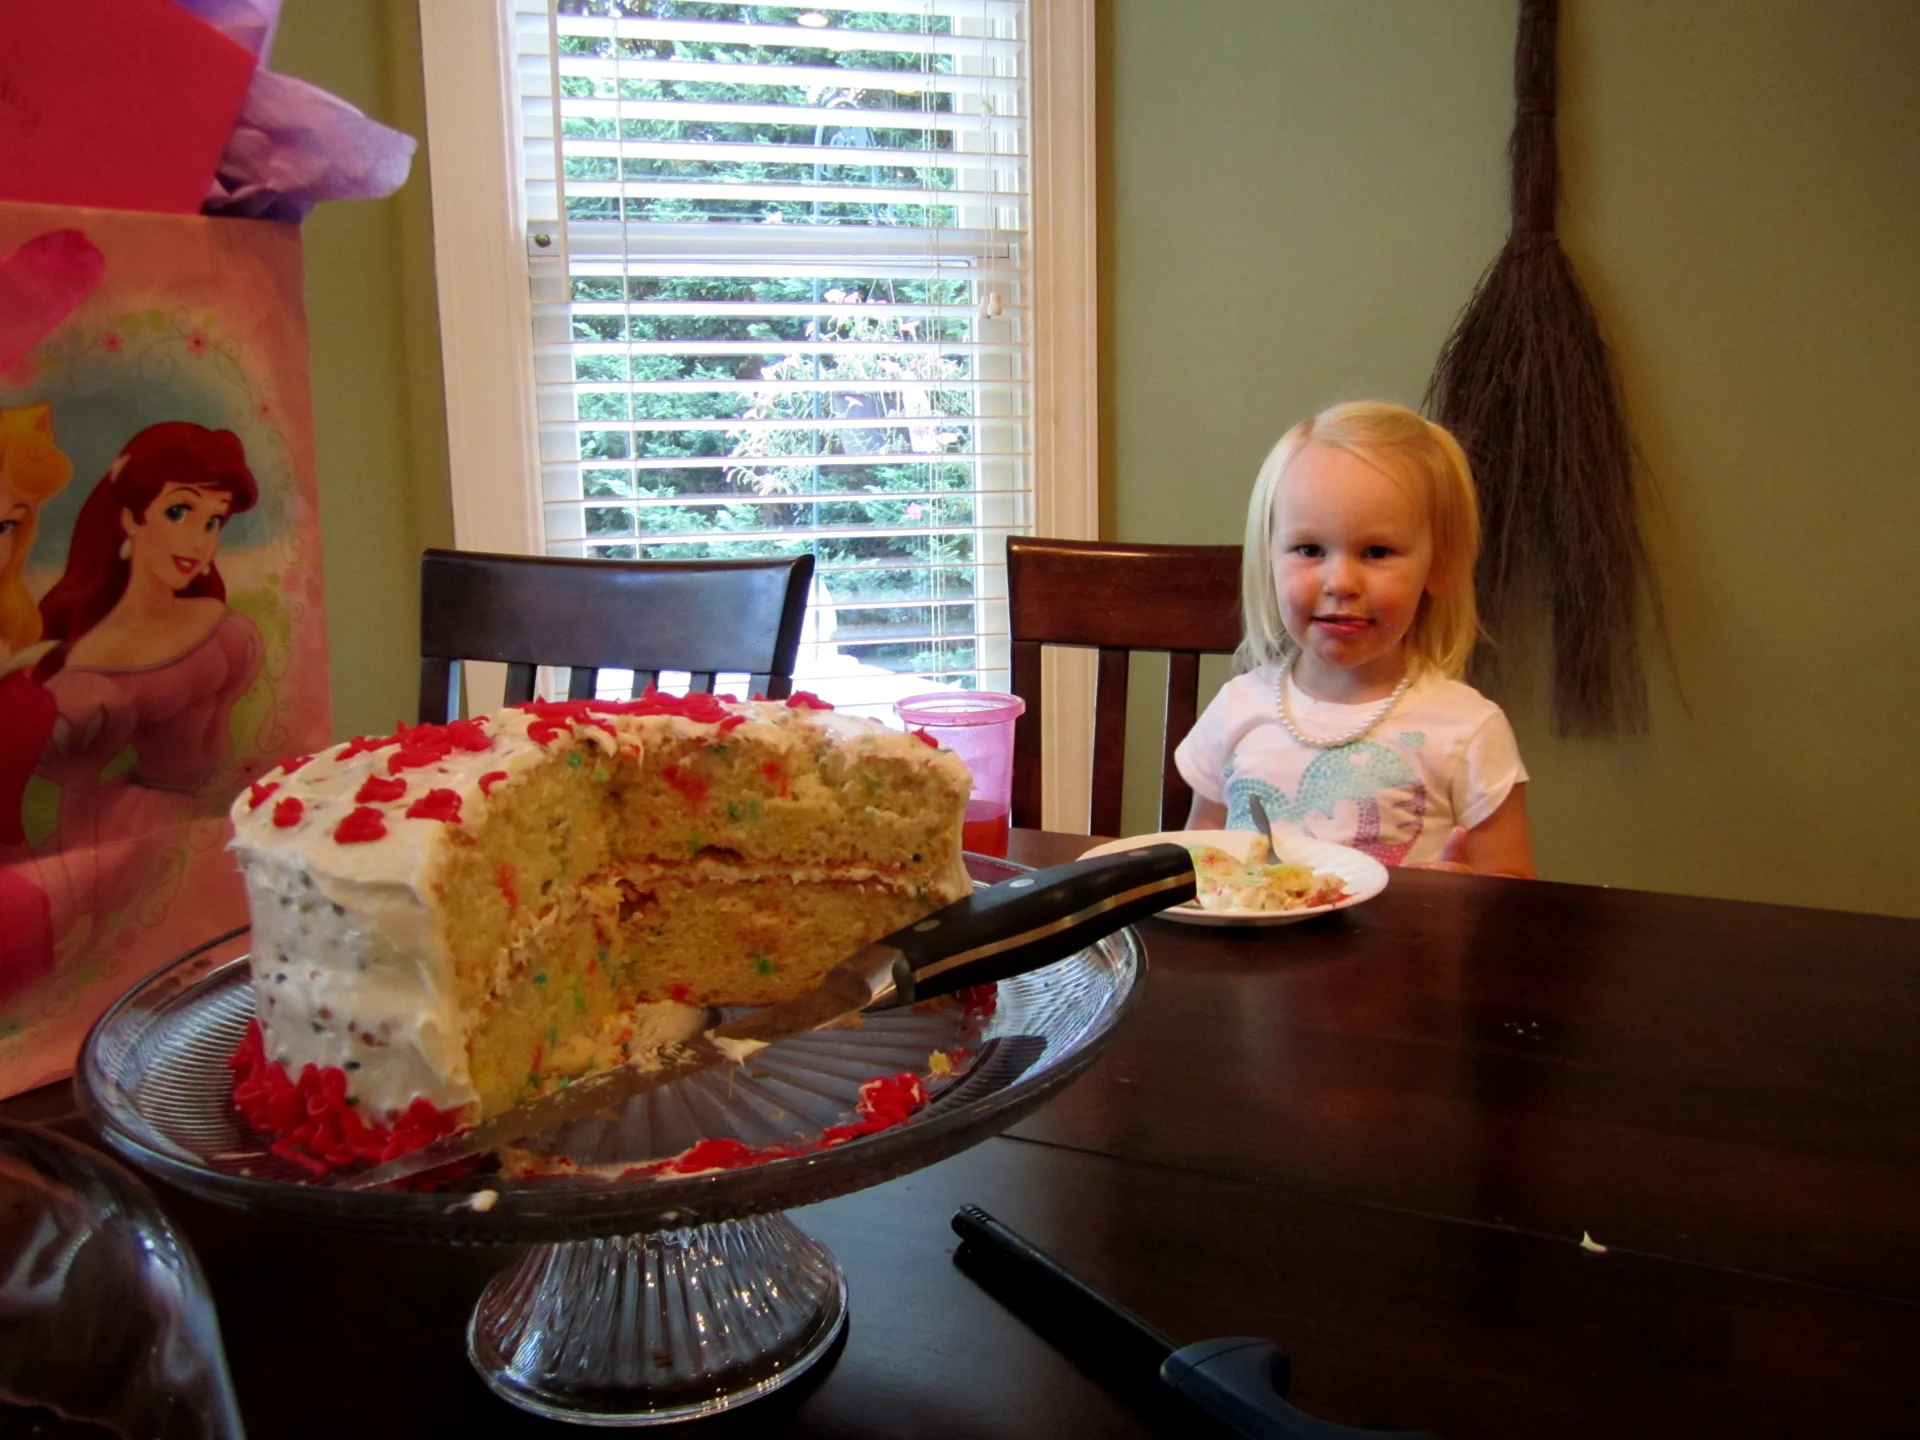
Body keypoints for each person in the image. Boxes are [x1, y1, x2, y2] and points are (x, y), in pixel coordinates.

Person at [1174, 400, 1534, 877]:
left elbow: (1517, 896)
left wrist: (1463, 895)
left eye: (1377, 552)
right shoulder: (1236, 709)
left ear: (1439, 564)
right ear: (1270, 559)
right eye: (1309, 549)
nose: (1341, 582)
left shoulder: (1468, 730)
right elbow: (1199, 860)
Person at [15, 422, 264, 980]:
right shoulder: (94, 659)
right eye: (179, 512)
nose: (198, 540)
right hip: (145, 824)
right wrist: (81, 904)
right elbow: (78, 800)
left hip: (220, 812)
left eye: (213, 521)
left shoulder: (216, 620)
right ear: (131, 517)